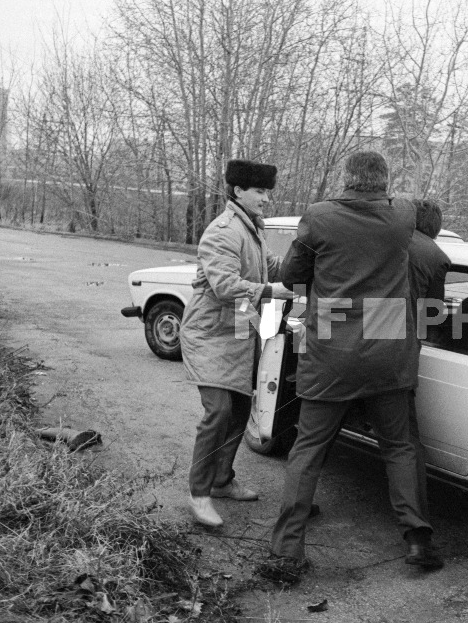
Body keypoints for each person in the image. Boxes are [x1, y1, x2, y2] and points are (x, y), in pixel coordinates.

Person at [258, 151, 438, 584]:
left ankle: (286, 553)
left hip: (333, 354)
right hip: (389, 353)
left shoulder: (319, 217)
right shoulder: (403, 217)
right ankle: (418, 540)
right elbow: (406, 210)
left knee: (309, 450)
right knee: (399, 447)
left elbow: (294, 278)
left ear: (346, 180)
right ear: (384, 182)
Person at [180, 160, 294, 528]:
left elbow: (270, 266)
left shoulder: (251, 229)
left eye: (266, 192)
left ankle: (221, 480)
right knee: (218, 412)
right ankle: (199, 496)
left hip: (240, 332)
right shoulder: (223, 231)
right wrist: (268, 291)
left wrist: (308, 257)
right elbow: (226, 286)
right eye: (260, 192)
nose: (265, 199)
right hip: (210, 333)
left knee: (242, 409)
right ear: (238, 191)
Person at [402, 199, 451, 567]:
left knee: (315, 437)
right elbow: (432, 320)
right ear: (434, 227)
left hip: (345, 346)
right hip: (397, 358)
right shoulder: (436, 256)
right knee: (403, 447)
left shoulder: (386, 240)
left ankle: (290, 531)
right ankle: (418, 539)